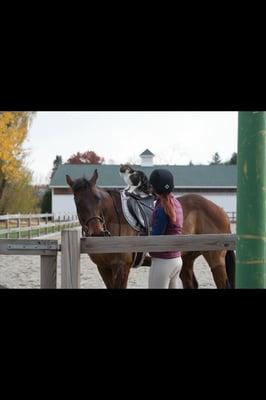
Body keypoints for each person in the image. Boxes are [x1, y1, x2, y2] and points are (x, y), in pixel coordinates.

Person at [148, 169, 183, 288]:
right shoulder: (176, 203)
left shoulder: (162, 208)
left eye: (152, 186)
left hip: (162, 262)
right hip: (177, 260)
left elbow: (156, 237)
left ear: (155, 188)